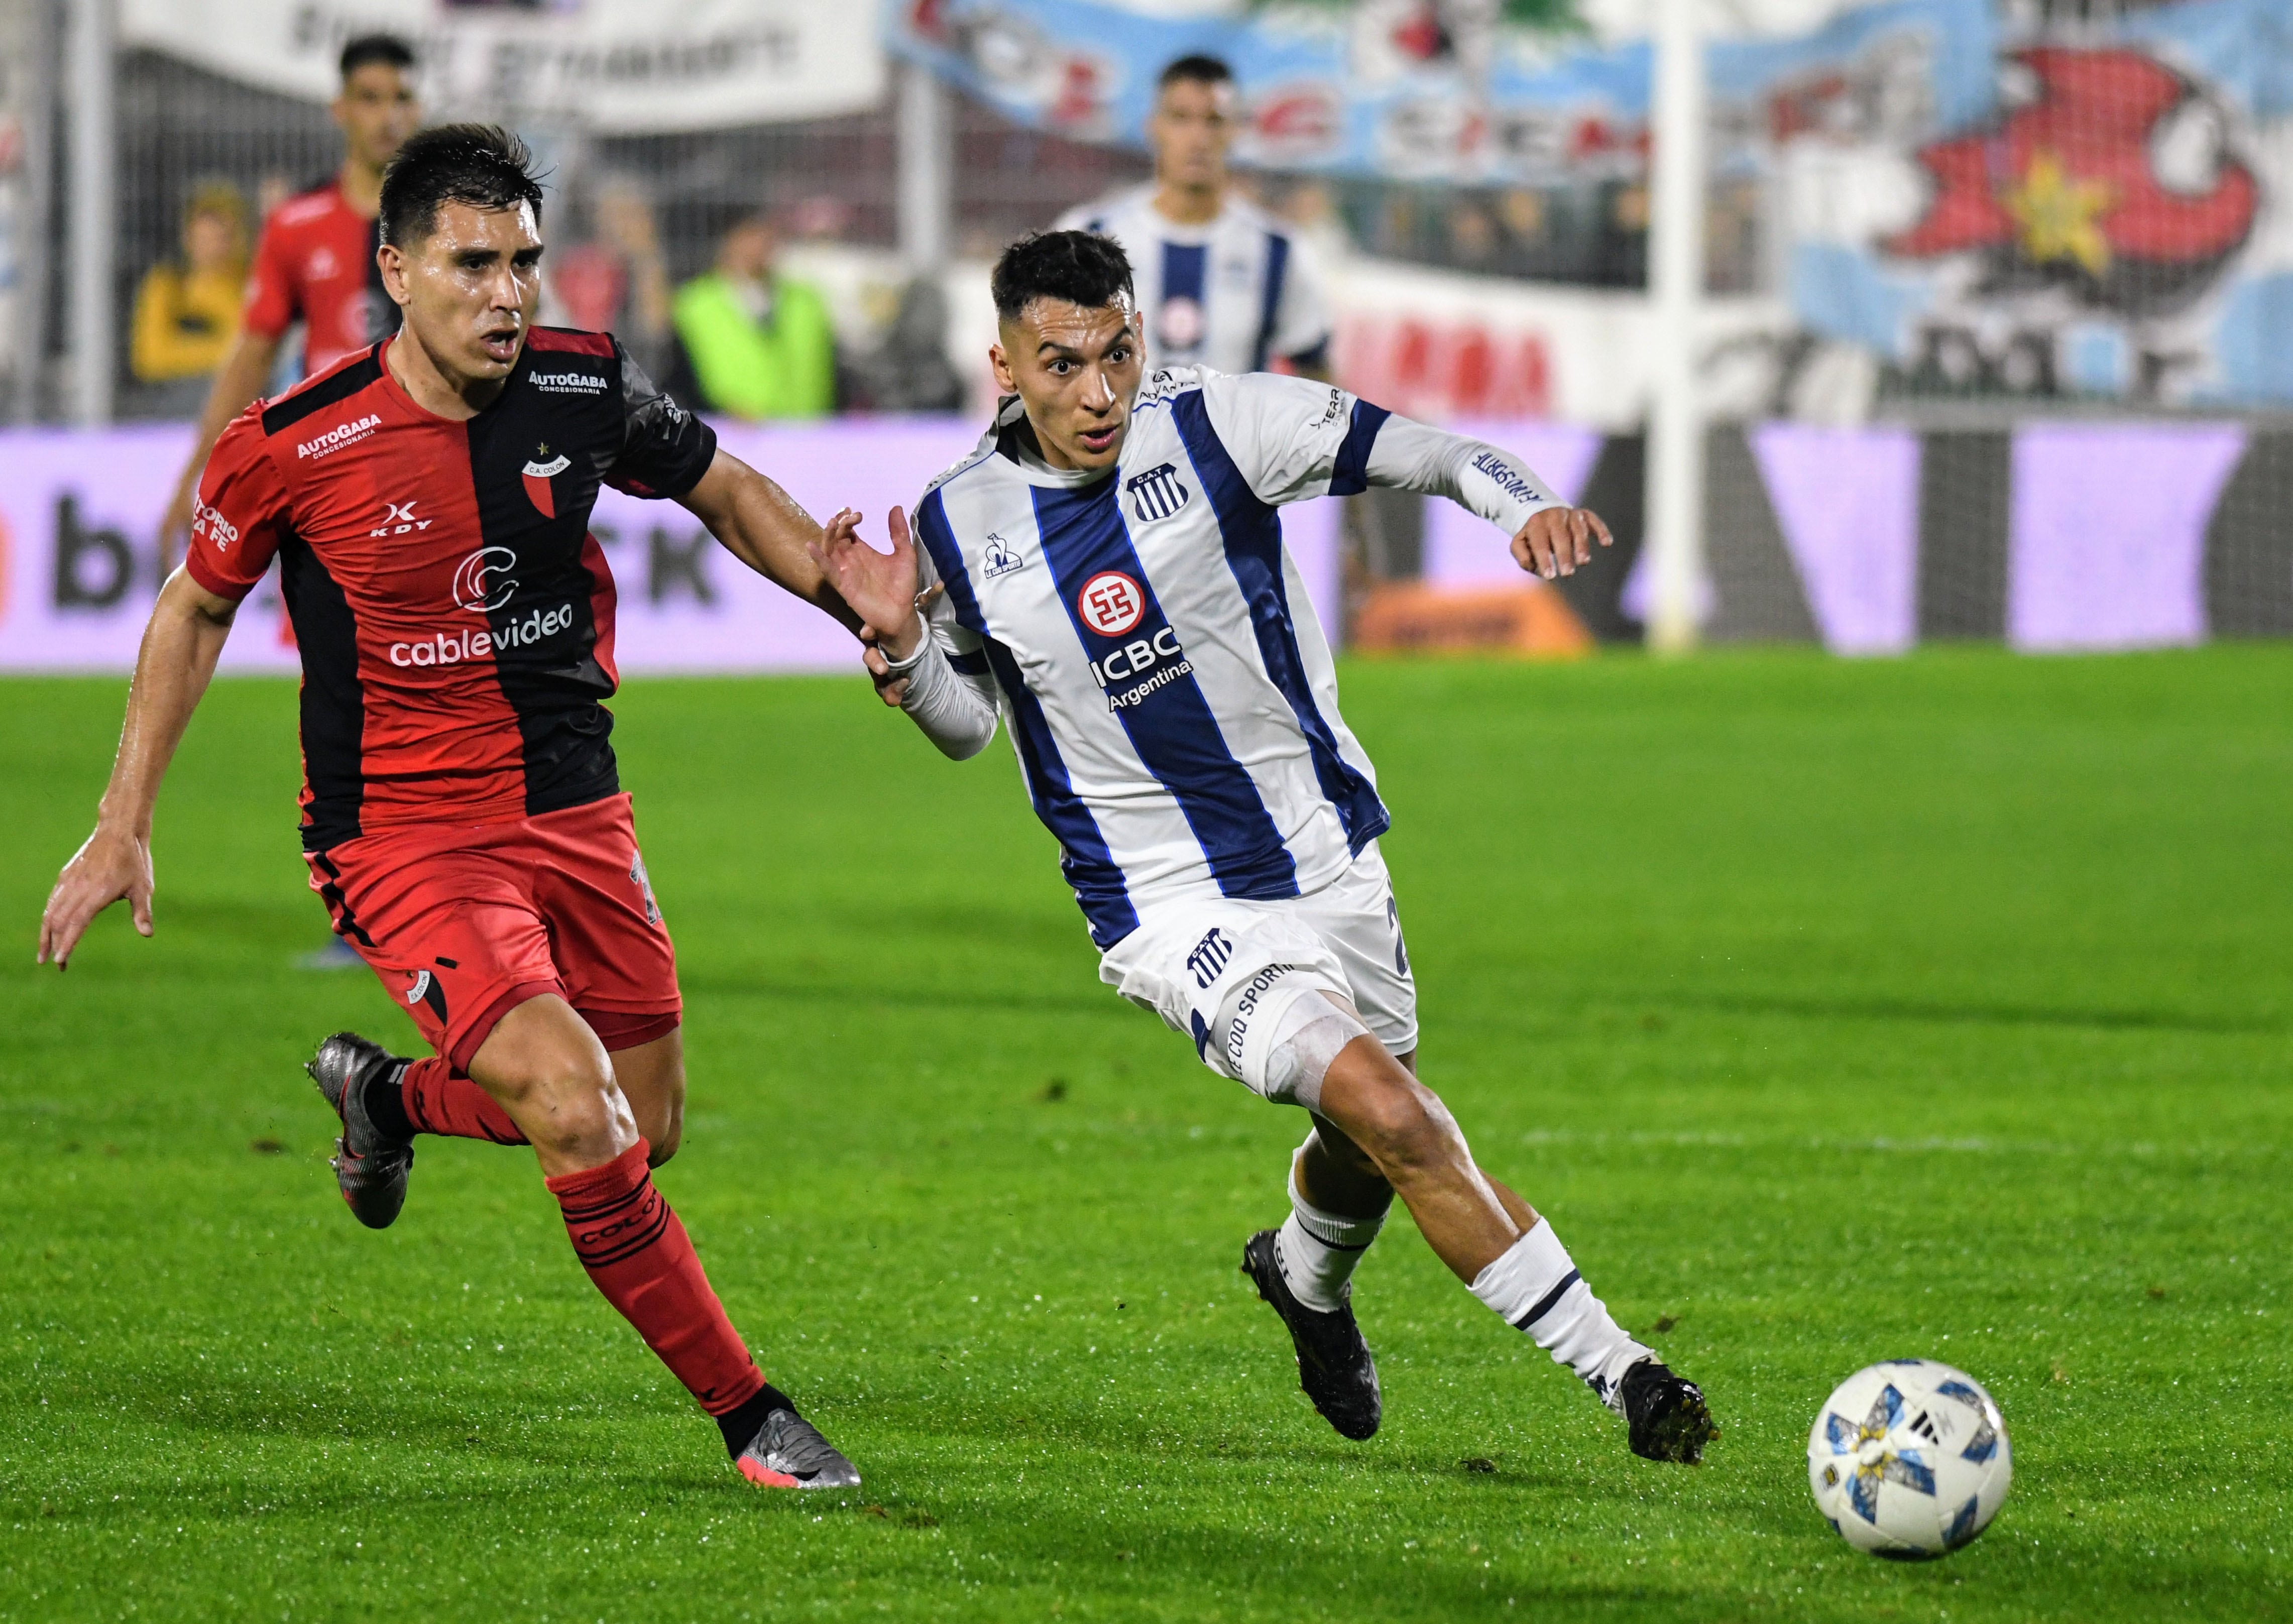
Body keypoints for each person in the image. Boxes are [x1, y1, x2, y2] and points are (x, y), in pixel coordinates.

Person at [38, 126, 872, 1492]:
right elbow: (194, 605)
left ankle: (387, 1098)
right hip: (405, 835)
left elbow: (721, 484)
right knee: (574, 1105)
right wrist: (123, 817)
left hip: (576, 808)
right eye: (473, 264)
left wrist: (856, 603)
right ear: (398, 272)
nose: (508, 293)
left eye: (525, 262)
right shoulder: (295, 443)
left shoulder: (580, 385)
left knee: (643, 1122)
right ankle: (752, 1417)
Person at [808, 231, 1718, 1463]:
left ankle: (1304, 1280)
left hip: (1328, 856)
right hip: (1170, 905)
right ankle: (1631, 1377)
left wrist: (1529, 504)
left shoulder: (1224, 421)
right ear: (1003, 367)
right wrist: (907, 655)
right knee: (1395, 1114)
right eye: (1061, 363)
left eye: (1117, 353)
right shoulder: (960, 528)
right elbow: (970, 729)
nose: (1097, 391)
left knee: (1363, 1142)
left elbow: (1433, 453)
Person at [157, 34, 423, 559]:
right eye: (370, 98)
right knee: (325, 638)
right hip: (331, 475)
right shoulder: (297, 225)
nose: (387, 116)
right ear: (340, 109)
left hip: (428, 465)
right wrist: (194, 475)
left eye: (401, 99)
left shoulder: (445, 224)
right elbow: (253, 356)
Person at [1056, 55, 1333, 380]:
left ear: (1235, 131)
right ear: (1153, 127)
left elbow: (1316, 373)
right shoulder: (1087, 239)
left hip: (1236, 433)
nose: (1198, 138)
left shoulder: (1280, 252)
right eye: (1180, 118)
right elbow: (1043, 359)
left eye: (1214, 120)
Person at [671, 212, 836, 421]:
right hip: (730, 433)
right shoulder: (695, 302)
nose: (759, 246)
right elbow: (685, 374)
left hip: (808, 431)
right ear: (728, 242)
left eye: (765, 236)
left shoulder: (805, 300)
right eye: (749, 236)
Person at [131, 183, 251, 407]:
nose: (214, 247)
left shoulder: (249, 287)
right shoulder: (167, 286)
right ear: (188, 237)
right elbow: (151, 357)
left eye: (223, 236)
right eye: (205, 237)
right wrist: (227, 352)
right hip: (173, 401)